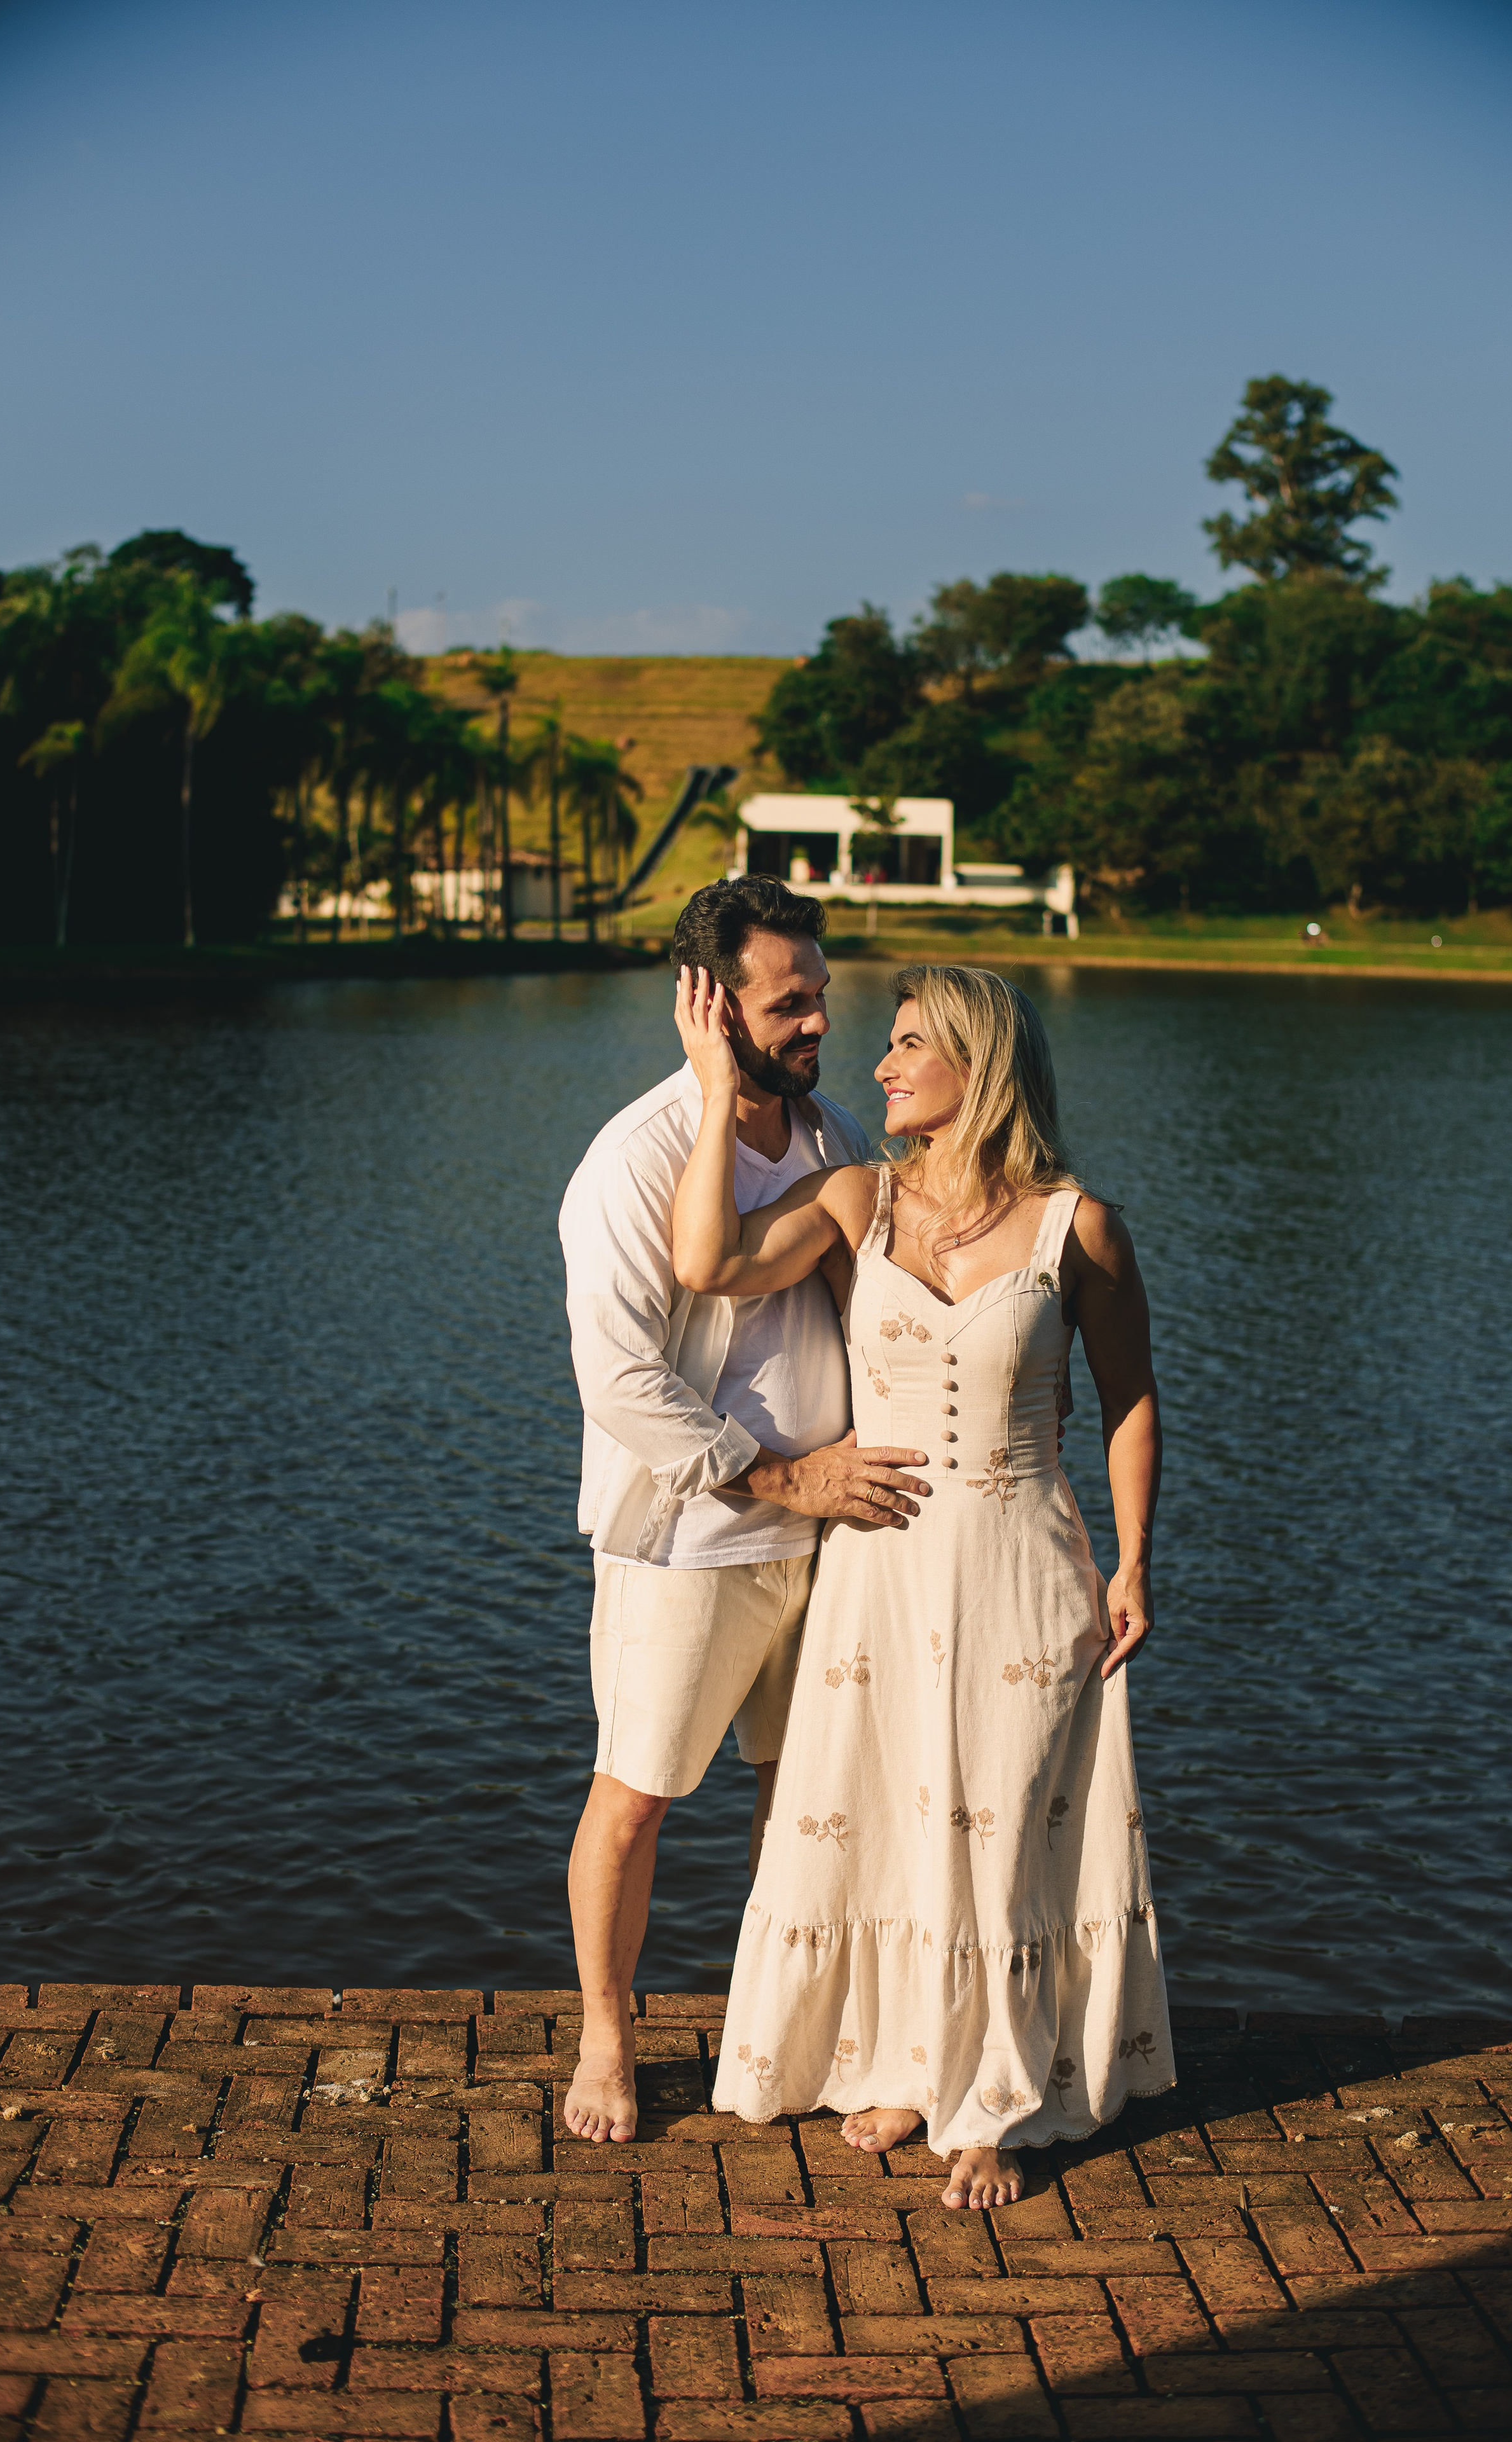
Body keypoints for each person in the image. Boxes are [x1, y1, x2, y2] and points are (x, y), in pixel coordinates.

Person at [673, 960, 1174, 2209]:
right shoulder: (856, 1200)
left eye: (906, 1045)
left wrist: (1133, 1564)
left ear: (976, 1065)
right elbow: (707, 1268)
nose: (879, 1065)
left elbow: (1129, 1405)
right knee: (886, 1816)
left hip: (1020, 1564)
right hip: (880, 1568)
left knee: (999, 1828)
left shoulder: (1079, 1227)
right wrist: (705, 1089)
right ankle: (900, 2062)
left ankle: (992, 2099)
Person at [556, 876, 934, 2144]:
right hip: (691, 1544)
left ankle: (783, 2024)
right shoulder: (638, 1156)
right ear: (708, 1008)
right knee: (639, 1794)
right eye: (787, 1004)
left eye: (821, 997)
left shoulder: (835, 1145)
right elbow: (618, 1380)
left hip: (832, 1541)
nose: (816, 1022)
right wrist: (778, 1476)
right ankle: (608, 2043)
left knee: (805, 1794)